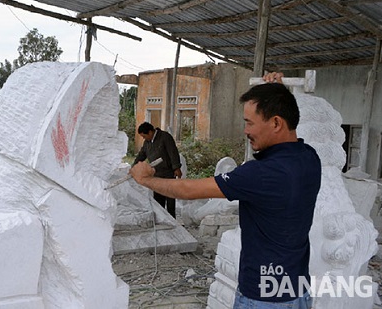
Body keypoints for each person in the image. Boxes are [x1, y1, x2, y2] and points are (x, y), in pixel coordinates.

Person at [130, 72, 321, 309]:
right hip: (296, 290)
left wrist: (147, 180)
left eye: (249, 123)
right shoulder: (310, 158)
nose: (245, 131)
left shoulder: (259, 174)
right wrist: (277, 91)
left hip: (263, 298)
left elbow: (188, 189)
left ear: (276, 123)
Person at [133, 122, 182, 218]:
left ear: (150, 132)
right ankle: (162, 219)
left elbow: (173, 152)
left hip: (168, 173)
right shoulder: (147, 142)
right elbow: (142, 155)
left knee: (170, 198)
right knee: (158, 199)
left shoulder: (165, 137)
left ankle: (172, 220)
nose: (144, 138)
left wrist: (176, 167)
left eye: (144, 136)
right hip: (156, 174)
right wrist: (134, 166)